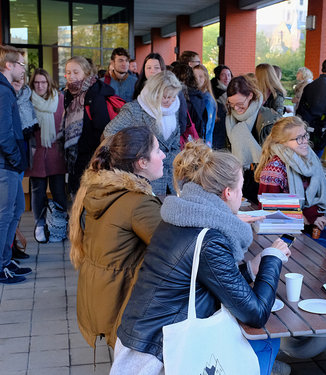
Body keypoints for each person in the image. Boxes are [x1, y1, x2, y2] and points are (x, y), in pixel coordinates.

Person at [112, 141, 291, 375]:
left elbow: (199, 278)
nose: (241, 194)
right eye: (241, 188)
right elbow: (256, 314)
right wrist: (272, 259)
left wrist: (249, 269)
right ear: (228, 193)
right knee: (268, 341)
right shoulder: (209, 239)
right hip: (160, 355)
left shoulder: (179, 217)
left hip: (138, 337)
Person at [69, 126, 164, 349]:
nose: (164, 155)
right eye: (158, 150)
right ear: (142, 162)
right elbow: (178, 248)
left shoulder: (101, 188)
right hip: (119, 302)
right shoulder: (137, 203)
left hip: (99, 296)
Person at [104, 71, 182, 195]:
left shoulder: (173, 109)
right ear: (154, 93)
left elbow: (175, 144)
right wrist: (135, 157)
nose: (170, 101)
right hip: (144, 178)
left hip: (170, 178)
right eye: (165, 96)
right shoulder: (135, 110)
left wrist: (173, 158)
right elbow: (109, 133)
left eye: (173, 97)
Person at [255, 116, 326, 234]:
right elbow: (268, 210)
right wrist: (310, 217)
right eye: (298, 138)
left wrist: (315, 215)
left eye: (305, 135)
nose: (305, 141)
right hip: (285, 234)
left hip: (314, 224)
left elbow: (313, 197)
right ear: (282, 142)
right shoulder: (274, 169)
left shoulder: (309, 160)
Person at [0, 45, 31, 284]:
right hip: (6, 165)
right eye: (21, 63)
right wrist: (15, 159)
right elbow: (3, 133)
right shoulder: (2, 90)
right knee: (5, 215)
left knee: (16, 211)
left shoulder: (7, 89)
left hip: (11, 164)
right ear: (9, 65)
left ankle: (6, 259)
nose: (23, 68)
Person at [26, 68, 67, 243]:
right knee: (38, 191)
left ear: (49, 83)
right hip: (37, 153)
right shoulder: (27, 101)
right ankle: (40, 225)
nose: (40, 85)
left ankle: (59, 224)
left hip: (56, 152)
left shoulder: (60, 99)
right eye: (37, 82)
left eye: (43, 82)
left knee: (58, 191)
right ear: (32, 84)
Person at [63, 56, 115, 194]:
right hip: (74, 157)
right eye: (68, 72)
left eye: (75, 72)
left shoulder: (95, 94)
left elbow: (103, 128)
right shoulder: (67, 94)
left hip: (91, 157)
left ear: (86, 73)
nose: (71, 76)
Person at [225, 75, 281, 202]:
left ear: (250, 95)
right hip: (240, 178)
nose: (236, 109)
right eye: (232, 104)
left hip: (263, 177)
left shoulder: (269, 118)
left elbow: (275, 154)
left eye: (240, 104)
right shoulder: (230, 118)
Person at [296, 58, 326, 155]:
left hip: (306, 127)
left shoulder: (309, 86)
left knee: (305, 154)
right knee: (316, 156)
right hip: (321, 131)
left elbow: (300, 107)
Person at [172, 63, 206, 139]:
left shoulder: (179, 96)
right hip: (196, 138)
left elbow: (182, 125)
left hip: (182, 140)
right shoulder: (199, 95)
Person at [193, 64, 217, 147]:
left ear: (206, 79)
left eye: (201, 76)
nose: (197, 79)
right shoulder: (194, 96)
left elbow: (207, 125)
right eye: (195, 76)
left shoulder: (207, 99)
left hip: (203, 142)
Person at [210, 64, 233, 149]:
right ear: (218, 76)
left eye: (228, 75)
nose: (227, 78)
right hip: (219, 130)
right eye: (223, 75)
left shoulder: (233, 90)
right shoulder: (215, 92)